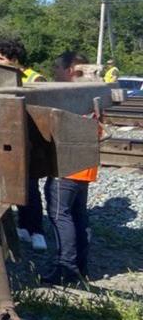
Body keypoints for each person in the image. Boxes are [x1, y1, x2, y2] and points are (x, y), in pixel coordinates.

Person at [42, 51, 97, 285]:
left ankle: (66, 267)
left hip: (67, 166)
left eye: (57, 68)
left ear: (69, 70)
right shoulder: (91, 92)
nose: (54, 72)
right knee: (78, 215)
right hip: (84, 165)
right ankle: (81, 267)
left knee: (59, 215)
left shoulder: (69, 96)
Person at [0, 39, 47, 250]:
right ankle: (23, 227)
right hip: (11, 138)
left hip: (30, 140)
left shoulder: (35, 78)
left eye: (0, 58)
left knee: (30, 187)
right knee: (14, 184)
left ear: (14, 59)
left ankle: (37, 231)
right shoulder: (2, 79)